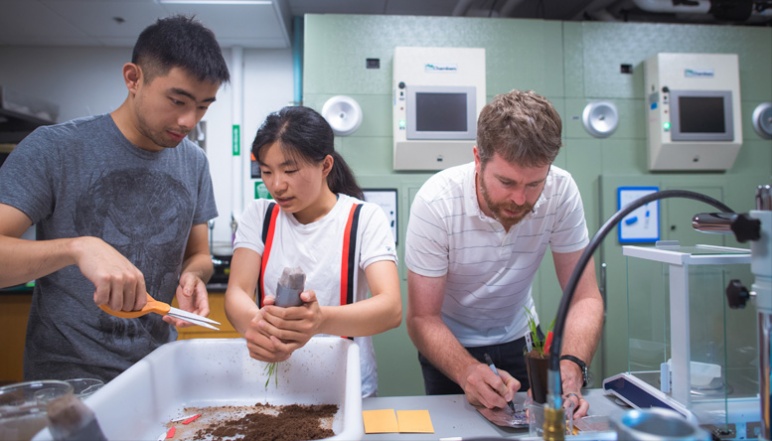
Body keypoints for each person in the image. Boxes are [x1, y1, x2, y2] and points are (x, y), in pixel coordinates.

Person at [0, 15, 230, 382]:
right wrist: (77, 248)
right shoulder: (55, 149)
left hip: (157, 372)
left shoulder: (194, 162)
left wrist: (192, 277)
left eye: (203, 106)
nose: (189, 121)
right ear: (133, 78)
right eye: (177, 100)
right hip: (69, 382)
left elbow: (198, 255)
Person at [405, 89, 604, 418]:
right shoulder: (436, 203)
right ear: (478, 159)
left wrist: (572, 364)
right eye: (507, 182)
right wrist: (467, 371)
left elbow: (585, 296)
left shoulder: (561, 190)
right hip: (450, 345)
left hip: (523, 338)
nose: (521, 199)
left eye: (534, 184)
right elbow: (421, 317)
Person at [224, 105, 402, 397]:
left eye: (290, 171)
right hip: (273, 387)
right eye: (267, 172)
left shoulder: (364, 218)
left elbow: (391, 307)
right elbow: (236, 293)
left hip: (345, 386)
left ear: (325, 166)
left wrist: (320, 320)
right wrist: (258, 327)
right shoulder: (259, 216)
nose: (277, 185)